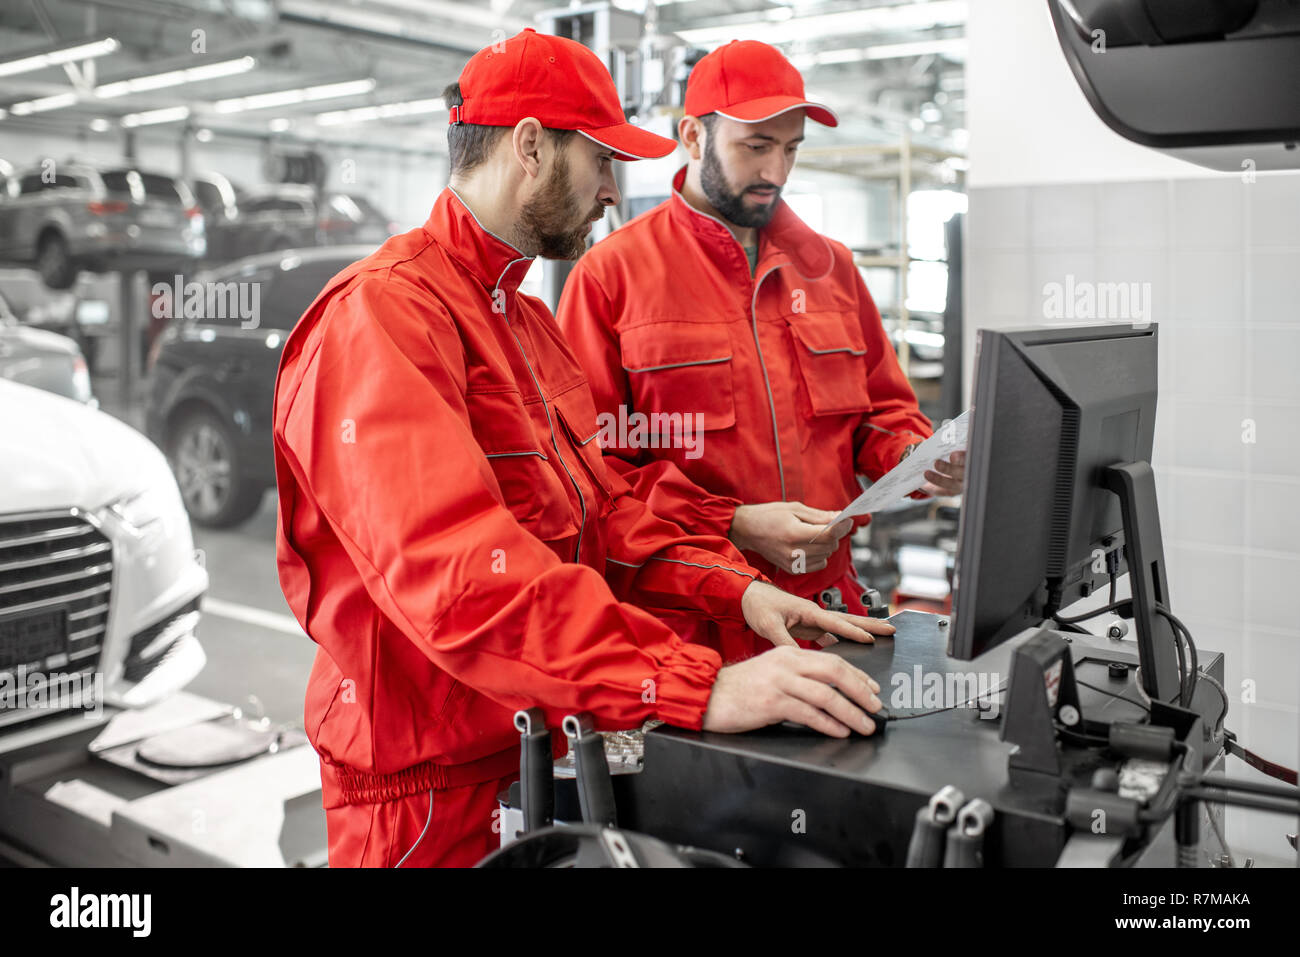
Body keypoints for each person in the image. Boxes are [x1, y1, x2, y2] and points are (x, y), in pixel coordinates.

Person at [272, 29, 893, 868]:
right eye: (600, 159)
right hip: (427, 798)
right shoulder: (384, 319)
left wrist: (736, 592)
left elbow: (605, 511)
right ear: (529, 145)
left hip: (536, 745)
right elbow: (461, 578)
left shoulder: (522, 321)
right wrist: (692, 683)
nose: (611, 189)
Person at [556, 40, 965, 662]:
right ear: (694, 136)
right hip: (697, 624)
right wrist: (734, 523)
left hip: (831, 613)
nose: (776, 170)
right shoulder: (612, 277)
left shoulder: (831, 267)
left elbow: (881, 414)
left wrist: (915, 457)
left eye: (791, 148)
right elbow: (591, 473)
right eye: (756, 146)